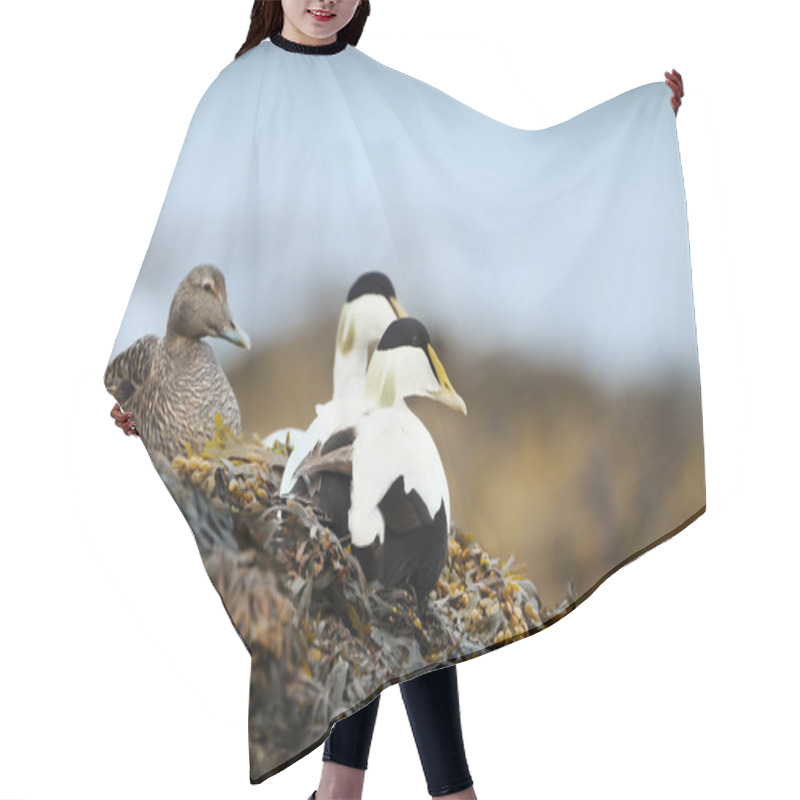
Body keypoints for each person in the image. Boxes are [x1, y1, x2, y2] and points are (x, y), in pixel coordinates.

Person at [109, 2, 686, 798]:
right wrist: (138, 382)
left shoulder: (377, 89)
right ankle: (432, 791)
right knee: (391, 582)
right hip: (294, 374)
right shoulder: (234, 95)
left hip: (354, 379)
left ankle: (351, 789)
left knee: (395, 578)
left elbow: (496, 169)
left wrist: (635, 126)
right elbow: (184, 242)